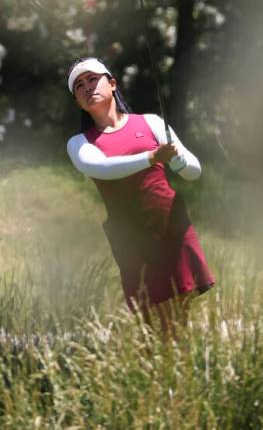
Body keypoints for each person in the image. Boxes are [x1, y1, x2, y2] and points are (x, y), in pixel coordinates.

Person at [65, 57, 215, 330]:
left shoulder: (151, 122)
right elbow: (101, 167)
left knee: (179, 315)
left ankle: (178, 369)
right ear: (77, 101)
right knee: (153, 321)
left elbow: (193, 171)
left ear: (112, 84)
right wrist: (152, 156)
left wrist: (175, 159)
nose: (87, 87)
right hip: (131, 238)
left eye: (93, 79)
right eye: (79, 85)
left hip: (171, 224)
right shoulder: (79, 143)